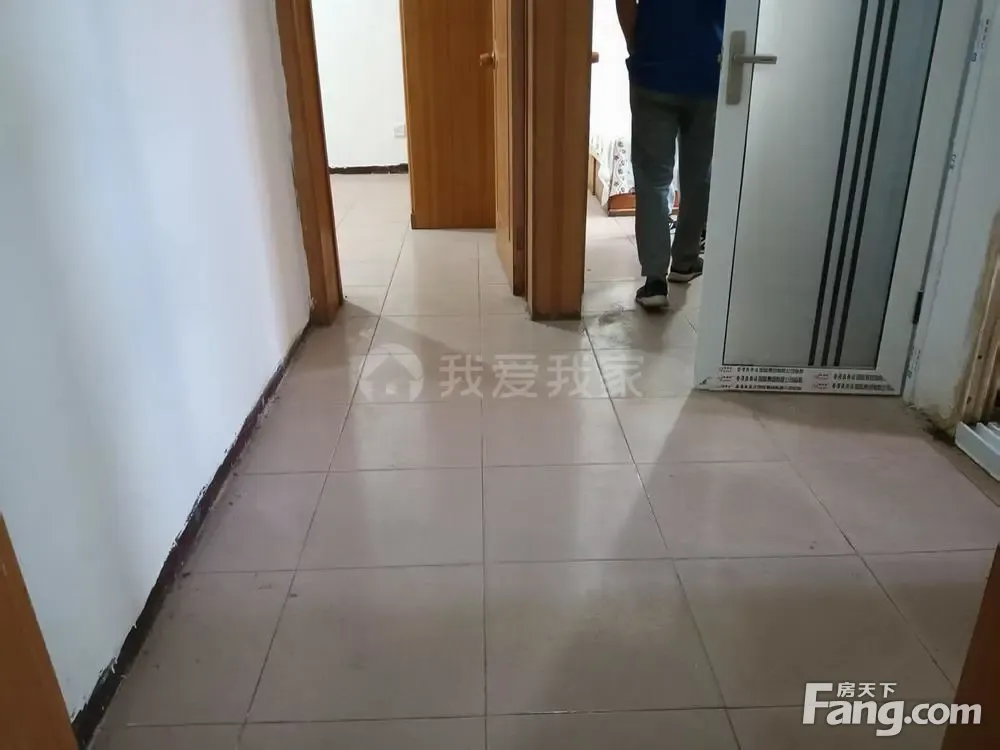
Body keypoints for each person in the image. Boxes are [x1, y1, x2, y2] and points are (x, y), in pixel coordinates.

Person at [616, 0, 725, 310]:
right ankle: (684, 262)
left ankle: (655, 280)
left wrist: (637, 45)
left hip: (654, 67)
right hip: (708, 68)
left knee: (653, 178)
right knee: (699, 173)